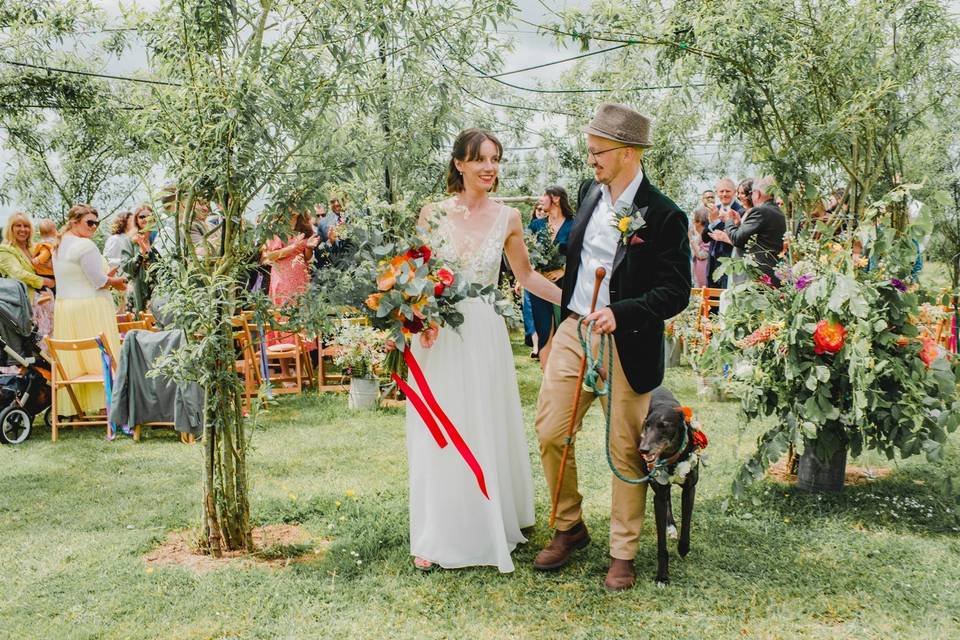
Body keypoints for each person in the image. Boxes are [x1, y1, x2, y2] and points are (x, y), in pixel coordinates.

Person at [533, 104, 691, 591]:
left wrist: (622, 312)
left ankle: (623, 552)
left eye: (597, 151)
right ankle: (569, 526)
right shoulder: (587, 195)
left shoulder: (665, 215)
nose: (590, 160)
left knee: (626, 448)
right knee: (551, 430)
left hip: (628, 341)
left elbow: (676, 291)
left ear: (627, 153)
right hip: (574, 330)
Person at [407, 128, 562, 573]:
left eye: (495, 159)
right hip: (437, 336)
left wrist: (574, 303)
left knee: (481, 422)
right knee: (442, 425)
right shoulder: (432, 214)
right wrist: (417, 315)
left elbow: (527, 277)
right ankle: (437, 531)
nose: (489, 168)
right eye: (480, 159)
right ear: (459, 163)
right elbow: (415, 276)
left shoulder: (508, 217)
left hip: (484, 334)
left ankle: (491, 517)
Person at [52, 204, 127, 414]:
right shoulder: (85, 246)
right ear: (74, 221)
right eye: (89, 222)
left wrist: (107, 277)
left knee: (77, 359)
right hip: (90, 307)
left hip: (66, 308)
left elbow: (78, 276)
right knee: (98, 356)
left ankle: (80, 407)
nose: (94, 227)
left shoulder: (59, 246)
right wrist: (117, 281)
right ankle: (105, 406)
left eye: (97, 222)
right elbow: (98, 281)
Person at [526, 186, 574, 369]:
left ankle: (563, 370)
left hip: (564, 285)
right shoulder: (536, 226)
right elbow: (526, 252)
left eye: (543, 196)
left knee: (564, 327)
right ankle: (547, 373)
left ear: (555, 198)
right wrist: (532, 272)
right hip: (539, 285)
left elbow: (581, 254)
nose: (540, 200)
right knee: (544, 328)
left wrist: (563, 271)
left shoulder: (574, 224)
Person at [709, 176, 787, 283]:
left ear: (757, 193)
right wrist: (738, 223)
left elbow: (737, 239)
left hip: (756, 276)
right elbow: (757, 239)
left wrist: (728, 220)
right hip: (770, 273)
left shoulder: (760, 211)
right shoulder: (777, 211)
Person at [0, 212, 56, 300]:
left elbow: (55, 262)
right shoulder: (4, 250)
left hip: (49, 298)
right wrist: (46, 281)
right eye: (18, 226)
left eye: (26, 226)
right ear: (10, 229)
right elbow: (18, 274)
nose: (23, 229)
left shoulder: (36, 247)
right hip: (25, 301)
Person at [701, 177, 743, 288]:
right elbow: (705, 237)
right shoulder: (714, 209)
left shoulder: (740, 211)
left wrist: (716, 221)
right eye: (721, 191)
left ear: (734, 192)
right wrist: (713, 222)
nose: (724, 194)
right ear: (717, 193)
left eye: (727, 191)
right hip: (713, 263)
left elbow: (734, 236)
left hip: (730, 262)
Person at [121, 204, 156, 313]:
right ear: (136, 219)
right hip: (139, 289)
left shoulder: (158, 236)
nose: (145, 219)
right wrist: (140, 254)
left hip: (158, 287)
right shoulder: (129, 240)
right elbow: (126, 267)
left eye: (148, 216)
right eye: (141, 217)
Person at [31, 218, 58, 289]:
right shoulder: (55, 243)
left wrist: (38, 260)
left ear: (41, 234)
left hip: (45, 273)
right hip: (52, 273)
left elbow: (45, 254)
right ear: (54, 231)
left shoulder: (45, 245)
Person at [690, 208, 711, 287]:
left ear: (699, 221)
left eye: (694, 220)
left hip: (704, 271)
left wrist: (691, 239)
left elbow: (702, 255)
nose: (693, 223)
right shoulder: (699, 234)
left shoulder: (708, 235)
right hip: (697, 272)